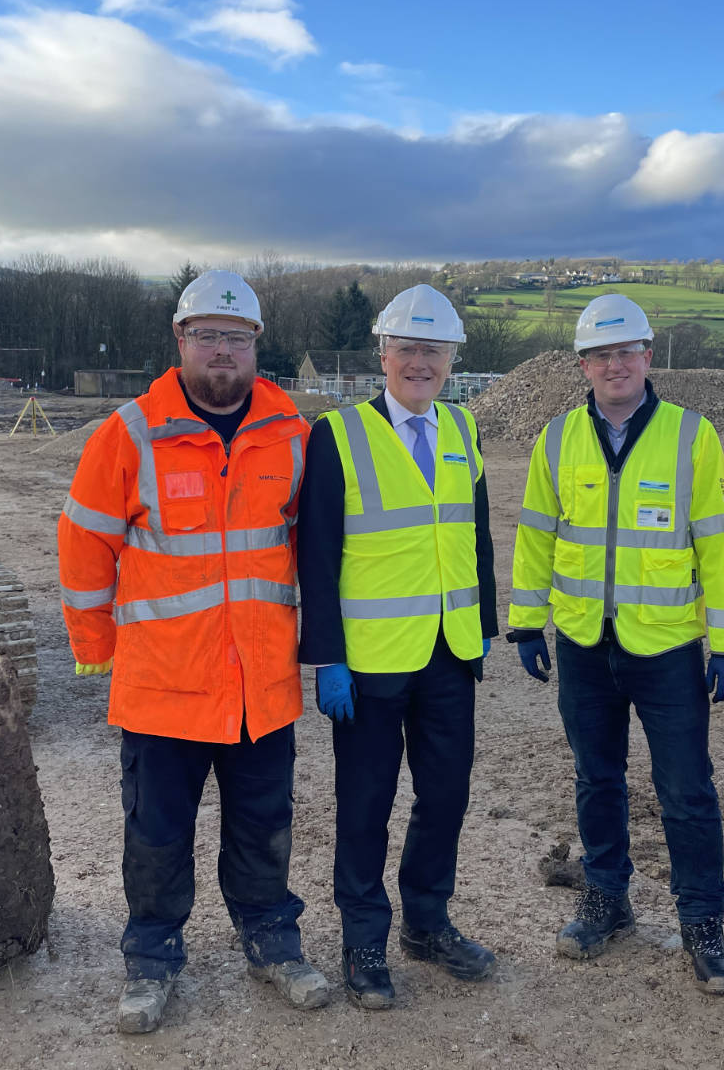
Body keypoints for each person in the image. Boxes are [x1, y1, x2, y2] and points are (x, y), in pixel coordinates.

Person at [57, 269, 330, 1034]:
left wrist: (330, 648)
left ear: (256, 348)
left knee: (263, 827)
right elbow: (84, 541)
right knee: (156, 835)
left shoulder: (292, 435)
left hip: (259, 687)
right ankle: (151, 960)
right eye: (207, 336)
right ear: (180, 341)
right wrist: (93, 644)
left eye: (236, 339)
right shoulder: (132, 432)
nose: (222, 354)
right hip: (163, 686)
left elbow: (318, 548)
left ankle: (273, 943)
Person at [508, 293, 724, 995]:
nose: (614, 365)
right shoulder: (556, 439)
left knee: (686, 791)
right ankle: (606, 899)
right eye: (600, 354)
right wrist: (527, 623)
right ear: (582, 365)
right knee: (597, 780)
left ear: (648, 356)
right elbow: (535, 536)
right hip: (585, 644)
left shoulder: (690, 436)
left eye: (626, 352)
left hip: (667, 646)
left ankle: (702, 923)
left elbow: (719, 543)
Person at [296, 283, 499, 1010]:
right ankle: (362, 941)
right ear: (384, 354)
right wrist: (326, 657)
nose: (420, 362)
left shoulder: (463, 429)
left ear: (451, 360)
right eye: (407, 348)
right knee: (365, 805)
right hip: (370, 662)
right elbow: (316, 553)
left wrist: (481, 634)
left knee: (445, 796)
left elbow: (473, 537)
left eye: (433, 350)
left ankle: (427, 921)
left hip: (449, 651)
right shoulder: (339, 434)